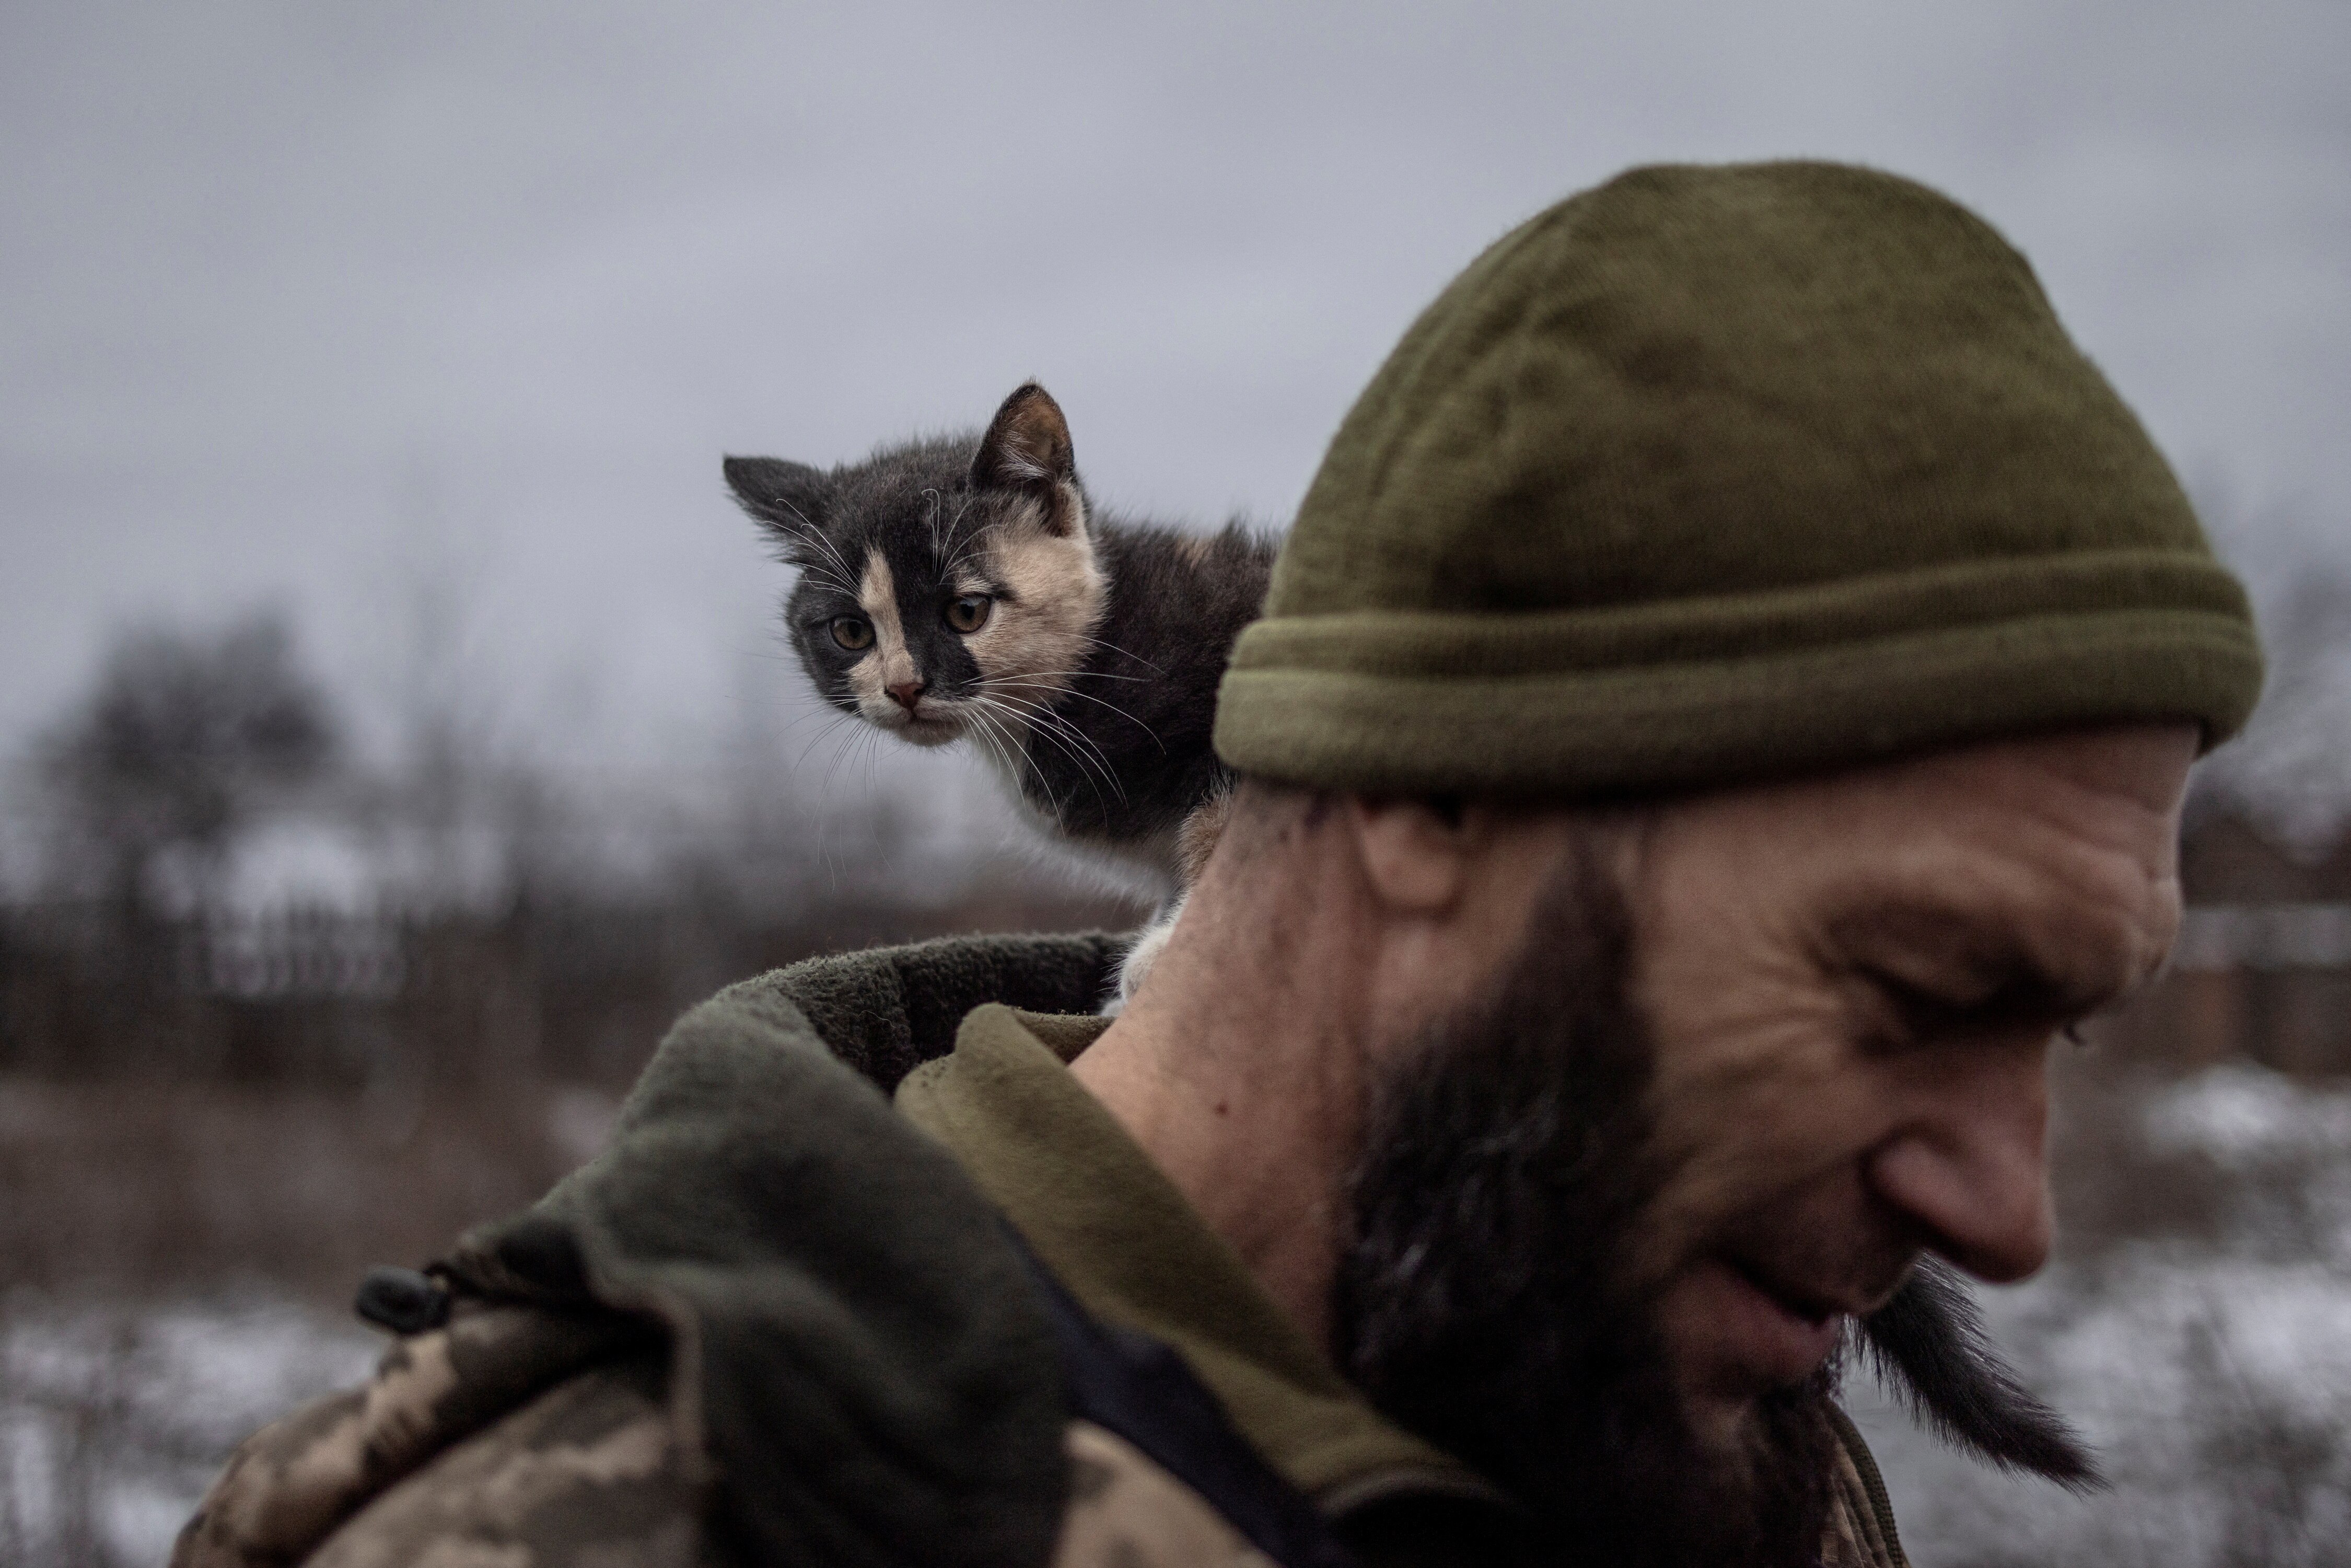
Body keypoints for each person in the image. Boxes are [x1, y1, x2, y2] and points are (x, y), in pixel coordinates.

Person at [175, 160, 2262, 1568]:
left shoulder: (1707, 1429)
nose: (2014, 1212)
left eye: (2057, 1030)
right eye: (1910, 989)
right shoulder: (615, 1520)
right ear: (1427, 795)